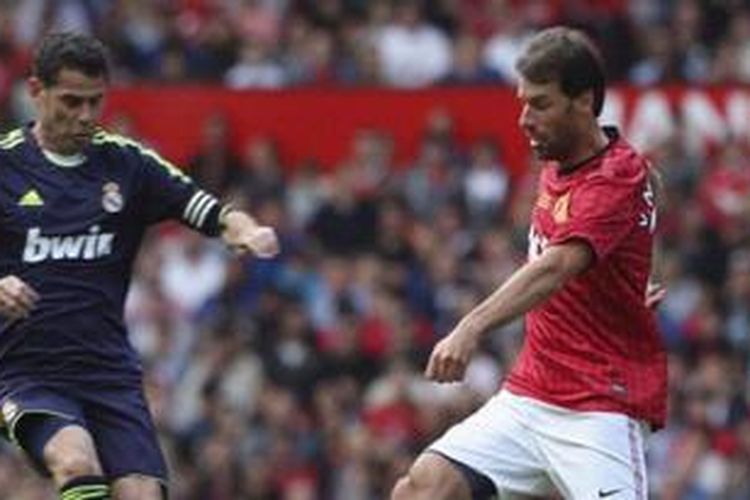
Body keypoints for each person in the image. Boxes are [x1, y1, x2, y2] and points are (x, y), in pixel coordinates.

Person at [391, 26, 667, 500]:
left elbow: (556, 266)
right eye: (523, 101)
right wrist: (629, 276)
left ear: (583, 101)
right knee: (421, 489)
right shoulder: (560, 156)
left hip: (599, 406)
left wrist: (469, 327)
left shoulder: (614, 176)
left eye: (540, 103)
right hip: (531, 395)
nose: (524, 119)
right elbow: (651, 192)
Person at [0, 32, 279, 500]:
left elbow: (210, 210)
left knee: (142, 493)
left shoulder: (127, 164)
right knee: (74, 460)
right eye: (71, 101)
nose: (86, 116)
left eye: (95, 102)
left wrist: (247, 232)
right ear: (36, 92)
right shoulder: (6, 165)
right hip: (25, 370)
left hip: (108, 372)